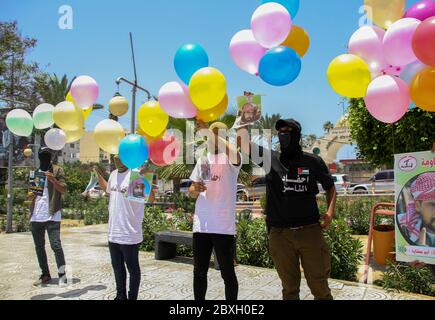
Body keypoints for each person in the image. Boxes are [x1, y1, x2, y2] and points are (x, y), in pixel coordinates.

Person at [238, 119, 337, 300]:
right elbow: (243, 143)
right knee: (289, 289)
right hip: (280, 235)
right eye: (280, 132)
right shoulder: (270, 159)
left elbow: (330, 187)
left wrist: (330, 212)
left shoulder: (313, 161)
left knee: (320, 287)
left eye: (287, 131)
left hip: (310, 232)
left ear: (297, 135)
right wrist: (245, 117)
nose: (283, 135)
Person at [188, 120, 242, 301]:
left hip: (223, 227)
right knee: (199, 272)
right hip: (201, 226)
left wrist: (214, 134)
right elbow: (191, 191)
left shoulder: (231, 159)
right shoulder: (203, 159)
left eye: (219, 134)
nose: (214, 138)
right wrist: (195, 189)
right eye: (212, 133)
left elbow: (233, 151)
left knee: (227, 274)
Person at [96, 156, 154, 300]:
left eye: (120, 156)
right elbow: (109, 190)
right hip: (113, 231)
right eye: (114, 157)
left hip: (129, 232)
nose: (116, 160)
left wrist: (145, 179)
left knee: (132, 269)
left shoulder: (135, 174)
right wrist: (97, 174)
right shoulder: (114, 174)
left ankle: (132, 297)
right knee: (117, 267)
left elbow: (150, 199)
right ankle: (120, 296)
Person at [28, 147, 68, 286]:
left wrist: (53, 180)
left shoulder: (57, 170)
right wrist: (31, 195)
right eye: (42, 155)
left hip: (52, 214)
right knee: (39, 247)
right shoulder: (35, 173)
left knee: (56, 246)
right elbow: (32, 195)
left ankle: (62, 275)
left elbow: (63, 189)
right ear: (39, 157)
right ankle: (45, 274)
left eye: (46, 155)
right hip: (36, 216)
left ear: (50, 157)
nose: (44, 157)